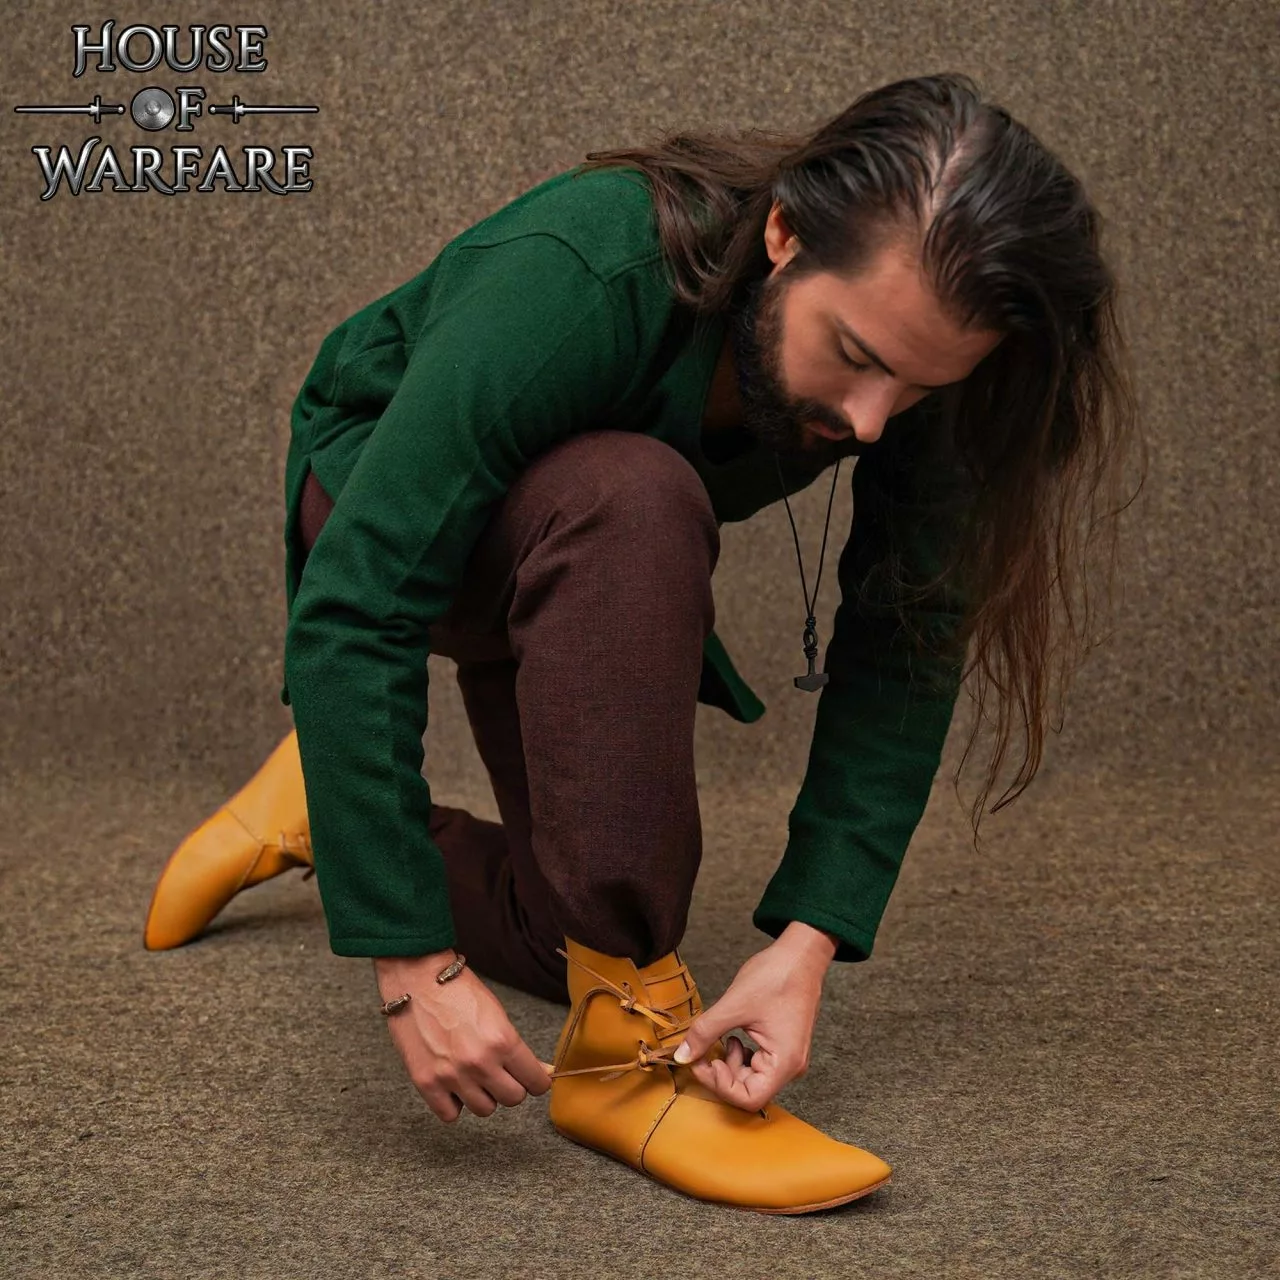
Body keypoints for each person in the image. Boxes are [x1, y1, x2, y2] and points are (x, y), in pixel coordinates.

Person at [143, 72, 1144, 1213]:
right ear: (783, 235)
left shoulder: (919, 354)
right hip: (387, 510)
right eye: (855, 353)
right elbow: (356, 599)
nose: (871, 421)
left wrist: (805, 945)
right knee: (635, 492)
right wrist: (409, 961)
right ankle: (626, 1063)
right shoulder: (582, 266)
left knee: (561, 928)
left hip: (580, 564)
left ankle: (326, 804)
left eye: (917, 386)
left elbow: (906, 643)